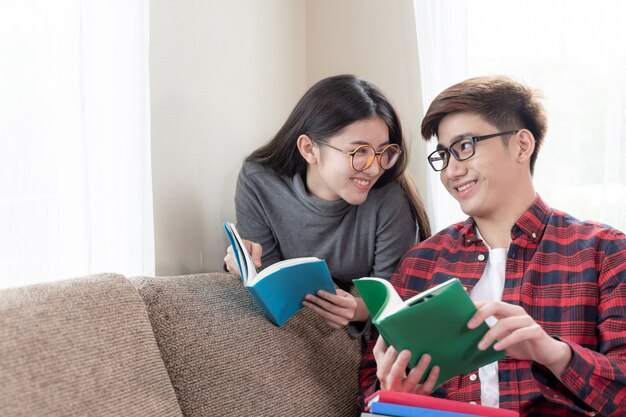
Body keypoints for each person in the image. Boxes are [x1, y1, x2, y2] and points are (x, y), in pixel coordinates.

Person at [358, 75, 626, 416]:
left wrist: (555, 354)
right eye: (443, 154)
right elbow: (368, 386)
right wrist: (397, 395)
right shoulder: (421, 264)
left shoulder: (604, 251)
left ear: (521, 145)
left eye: (465, 146)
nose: (451, 170)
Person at [223, 74, 431, 330]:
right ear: (309, 149)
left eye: (382, 152)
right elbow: (268, 279)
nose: (375, 168)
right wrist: (240, 264)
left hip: (359, 326)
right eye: (359, 152)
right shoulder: (259, 182)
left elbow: (393, 297)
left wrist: (357, 309)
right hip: (287, 323)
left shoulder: (390, 197)